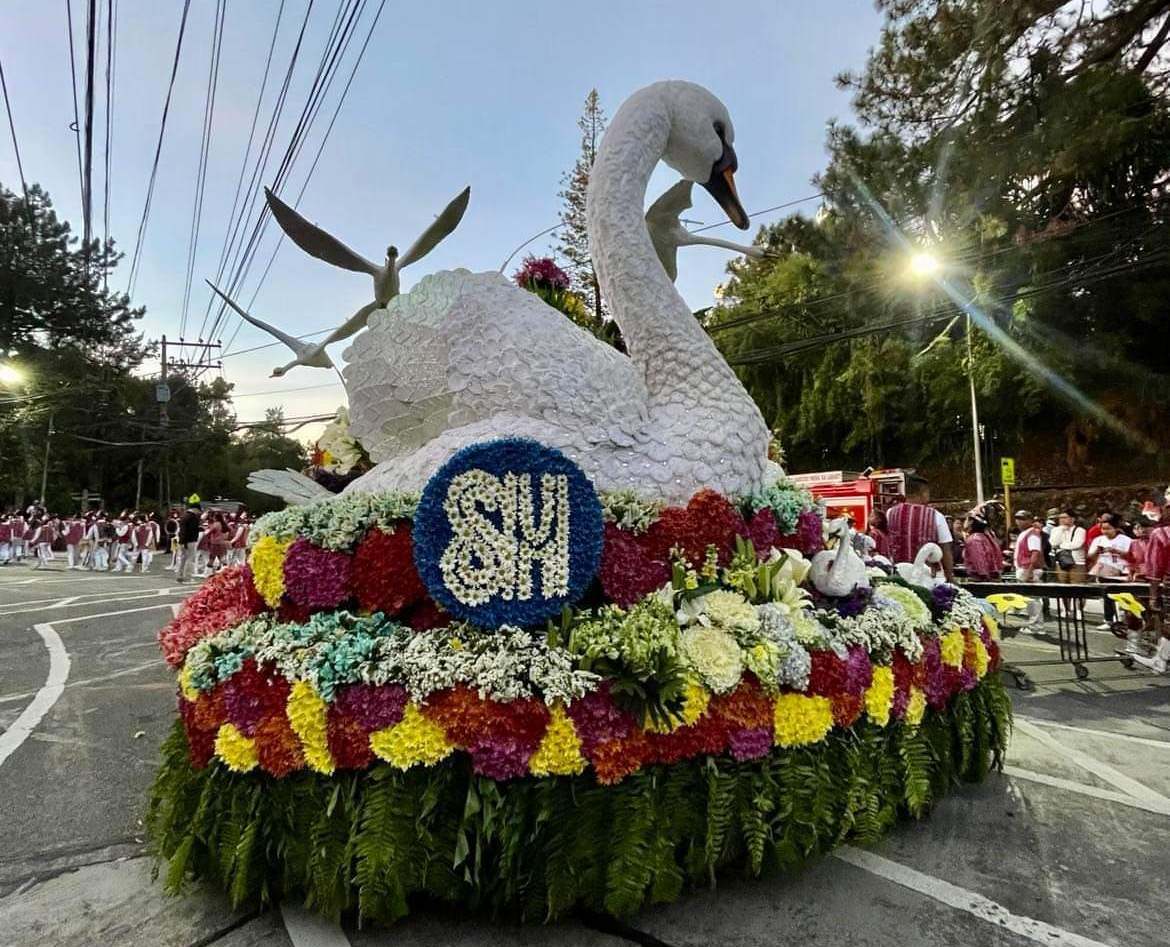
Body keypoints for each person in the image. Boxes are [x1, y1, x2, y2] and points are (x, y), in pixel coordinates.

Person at [885, 477, 955, 582]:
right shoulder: (936, 515)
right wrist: (949, 576)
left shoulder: (890, 513)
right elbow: (946, 549)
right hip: (926, 577)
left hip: (898, 575)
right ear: (923, 493)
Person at [1135, 504, 1170, 673]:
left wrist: (1153, 595)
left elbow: (1155, 567)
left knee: (1169, 624)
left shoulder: (1161, 534)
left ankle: (1160, 661)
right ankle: (1160, 659)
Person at [1088, 512, 1134, 629]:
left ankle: (1126, 620)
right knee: (1107, 596)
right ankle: (1108, 620)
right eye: (1103, 529)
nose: (1105, 532)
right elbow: (1090, 556)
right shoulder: (1098, 540)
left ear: (1115, 528)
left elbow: (1132, 555)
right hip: (1104, 569)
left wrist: (1116, 551)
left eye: (1108, 529)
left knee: (1124, 596)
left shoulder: (1125, 540)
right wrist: (1097, 551)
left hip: (1121, 570)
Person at [1049, 509, 1087, 583]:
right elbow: (1053, 543)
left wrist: (1060, 546)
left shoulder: (1080, 530)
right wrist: (1061, 530)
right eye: (1060, 518)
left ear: (1072, 519)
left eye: (1065, 517)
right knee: (1062, 585)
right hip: (1061, 562)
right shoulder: (1056, 530)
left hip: (1077, 562)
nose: (1062, 520)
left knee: (1077, 586)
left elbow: (1077, 545)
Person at [962, 515, 1002, 580]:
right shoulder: (987, 537)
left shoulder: (974, 539)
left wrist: (985, 576)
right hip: (991, 575)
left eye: (966, 519)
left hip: (980, 578)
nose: (964, 522)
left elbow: (980, 561)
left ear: (971, 522)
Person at [1012, 510, 1045, 582]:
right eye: (1017, 519)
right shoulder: (1024, 533)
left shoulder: (1033, 534)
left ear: (1030, 521)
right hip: (1023, 569)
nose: (1019, 521)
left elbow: (1035, 553)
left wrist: (1029, 572)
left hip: (1029, 570)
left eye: (1023, 519)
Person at [176, 501, 202, 583]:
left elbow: (183, 530)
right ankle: (188, 577)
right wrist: (200, 528)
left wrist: (182, 541)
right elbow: (191, 530)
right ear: (195, 509)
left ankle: (180, 576)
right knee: (190, 559)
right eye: (198, 510)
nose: (199, 512)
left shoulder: (184, 516)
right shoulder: (192, 517)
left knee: (183, 559)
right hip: (190, 541)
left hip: (183, 540)